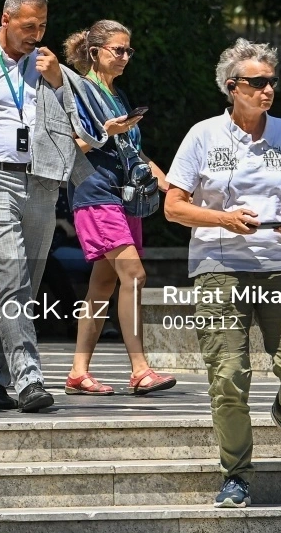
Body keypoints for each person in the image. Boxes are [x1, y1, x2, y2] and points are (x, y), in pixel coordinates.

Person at [164, 38, 281, 509]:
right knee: (229, 375)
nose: (268, 90)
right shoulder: (203, 135)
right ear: (232, 87)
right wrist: (223, 219)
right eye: (257, 83)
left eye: (272, 81)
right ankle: (237, 474)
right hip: (220, 268)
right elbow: (174, 207)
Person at [0, 0, 97, 413]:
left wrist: (59, 79)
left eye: (43, 26)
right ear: (6, 21)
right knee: (10, 277)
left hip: (42, 179)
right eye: (29, 26)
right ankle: (29, 378)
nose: (37, 34)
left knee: (25, 282)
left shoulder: (47, 66)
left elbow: (85, 120)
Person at [61, 20, 175, 397]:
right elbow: (67, 148)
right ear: (95, 53)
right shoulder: (77, 92)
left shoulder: (118, 96)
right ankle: (140, 369)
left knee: (102, 285)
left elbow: (135, 152)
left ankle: (78, 371)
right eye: (118, 50)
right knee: (135, 275)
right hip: (95, 194)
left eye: (129, 51)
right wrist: (104, 134)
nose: (126, 57)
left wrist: (170, 185)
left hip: (125, 194)